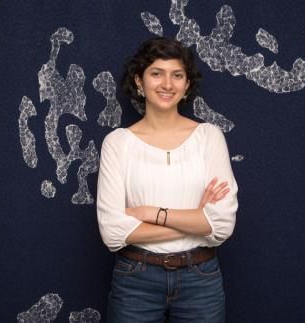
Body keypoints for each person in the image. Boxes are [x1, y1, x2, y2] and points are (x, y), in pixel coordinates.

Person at [96, 37, 238, 322]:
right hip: (135, 279)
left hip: (201, 279)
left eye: (177, 75)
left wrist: (150, 213)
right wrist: (198, 219)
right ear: (139, 81)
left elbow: (223, 225)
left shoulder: (209, 137)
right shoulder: (117, 143)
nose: (167, 84)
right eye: (156, 73)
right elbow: (112, 233)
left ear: (186, 85)